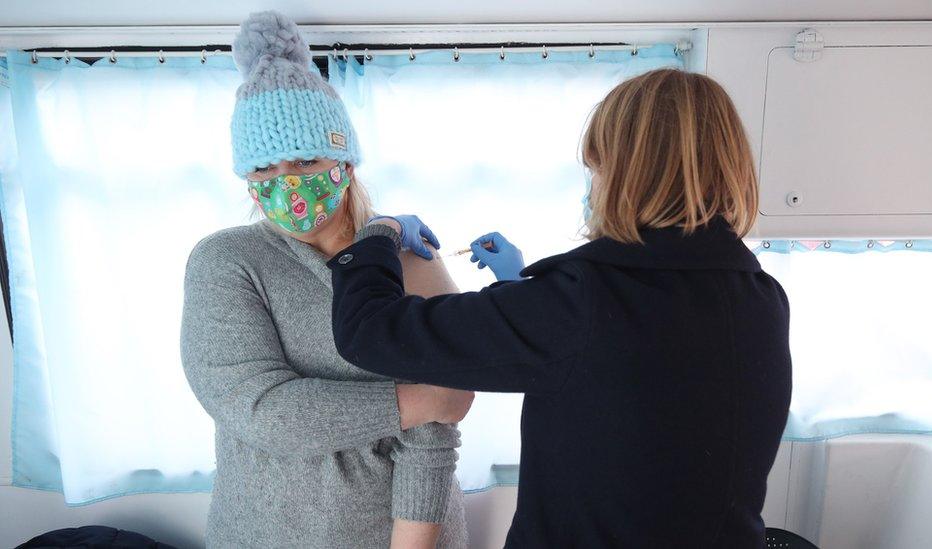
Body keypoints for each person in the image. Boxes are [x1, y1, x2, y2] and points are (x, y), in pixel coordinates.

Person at [326, 68, 793, 548]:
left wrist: (376, 238)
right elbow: (639, 380)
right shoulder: (762, 297)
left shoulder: (579, 302)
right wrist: (521, 286)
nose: (593, 184)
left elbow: (369, 332)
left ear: (628, 171)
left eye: (597, 167)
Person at [180, 11, 471, 549]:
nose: (286, 182)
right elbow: (264, 411)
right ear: (247, 179)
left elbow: (436, 434)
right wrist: (417, 399)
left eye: (307, 159)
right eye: (264, 169)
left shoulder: (410, 259)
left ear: (345, 162)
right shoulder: (225, 263)